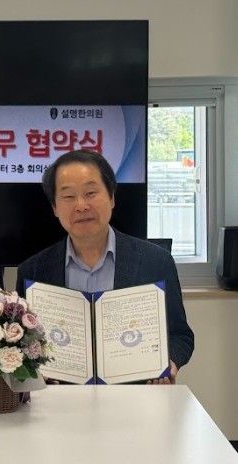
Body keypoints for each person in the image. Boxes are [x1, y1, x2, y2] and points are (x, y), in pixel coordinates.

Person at [16, 150, 194, 384]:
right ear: (55, 208)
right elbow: (20, 342)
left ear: (111, 198)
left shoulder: (156, 262)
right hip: (60, 397)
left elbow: (180, 336)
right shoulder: (33, 271)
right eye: (68, 196)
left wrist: (170, 363)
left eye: (91, 193)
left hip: (137, 395)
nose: (81, 206)